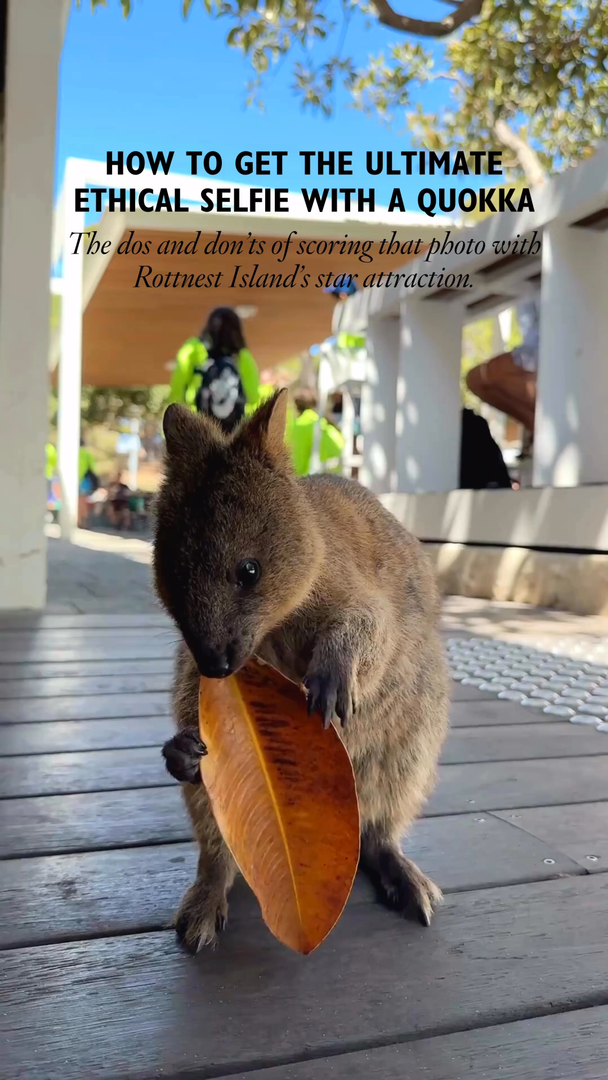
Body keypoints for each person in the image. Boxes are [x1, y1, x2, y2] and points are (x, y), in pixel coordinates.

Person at [168, 307, 261, 432]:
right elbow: (253, 397)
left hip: (198, 425)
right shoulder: (243, 356)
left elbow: (177, 388)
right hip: (233, 431)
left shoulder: (192, 348)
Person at [465, 299, 539, 456]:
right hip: (536, 355)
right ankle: (535, 428)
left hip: (542, 356)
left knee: (475, 380)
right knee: (475, 380)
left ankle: (535, 428)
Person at [288, 389, 345, 477]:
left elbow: (298, 462)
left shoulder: (301, 424)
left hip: (316, 476)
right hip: (336, 474)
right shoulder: (322, 420)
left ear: (295, 406)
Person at [78, 436, 99, 528]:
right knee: (83, 500)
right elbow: (92, 468)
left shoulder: (72, 452)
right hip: (84, 480)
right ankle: (84, 520)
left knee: (78, 501)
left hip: (74, 480)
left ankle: (79, 520)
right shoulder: (87, 454)